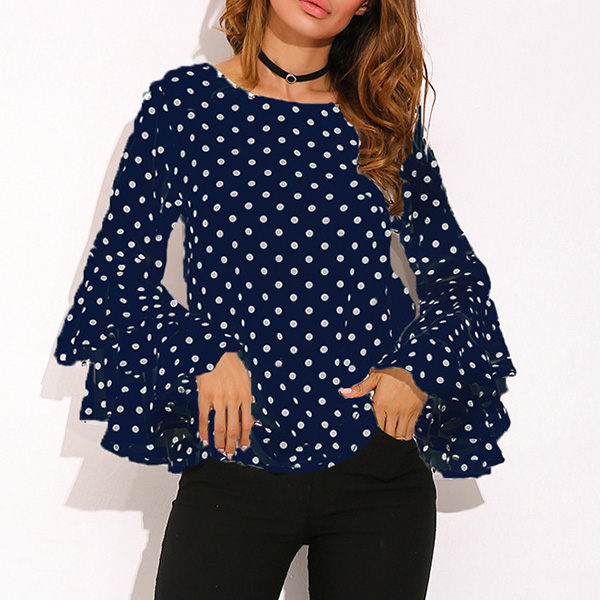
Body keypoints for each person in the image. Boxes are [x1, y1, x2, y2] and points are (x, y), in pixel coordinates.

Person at [54, 1, 517, 598]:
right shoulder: (185, 106)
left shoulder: (381, 120)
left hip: (377, 468)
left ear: (367, 6)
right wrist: (203, 353)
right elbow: (117, 277)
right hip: (234, 456)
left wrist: (415, 369)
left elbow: (457, 278)